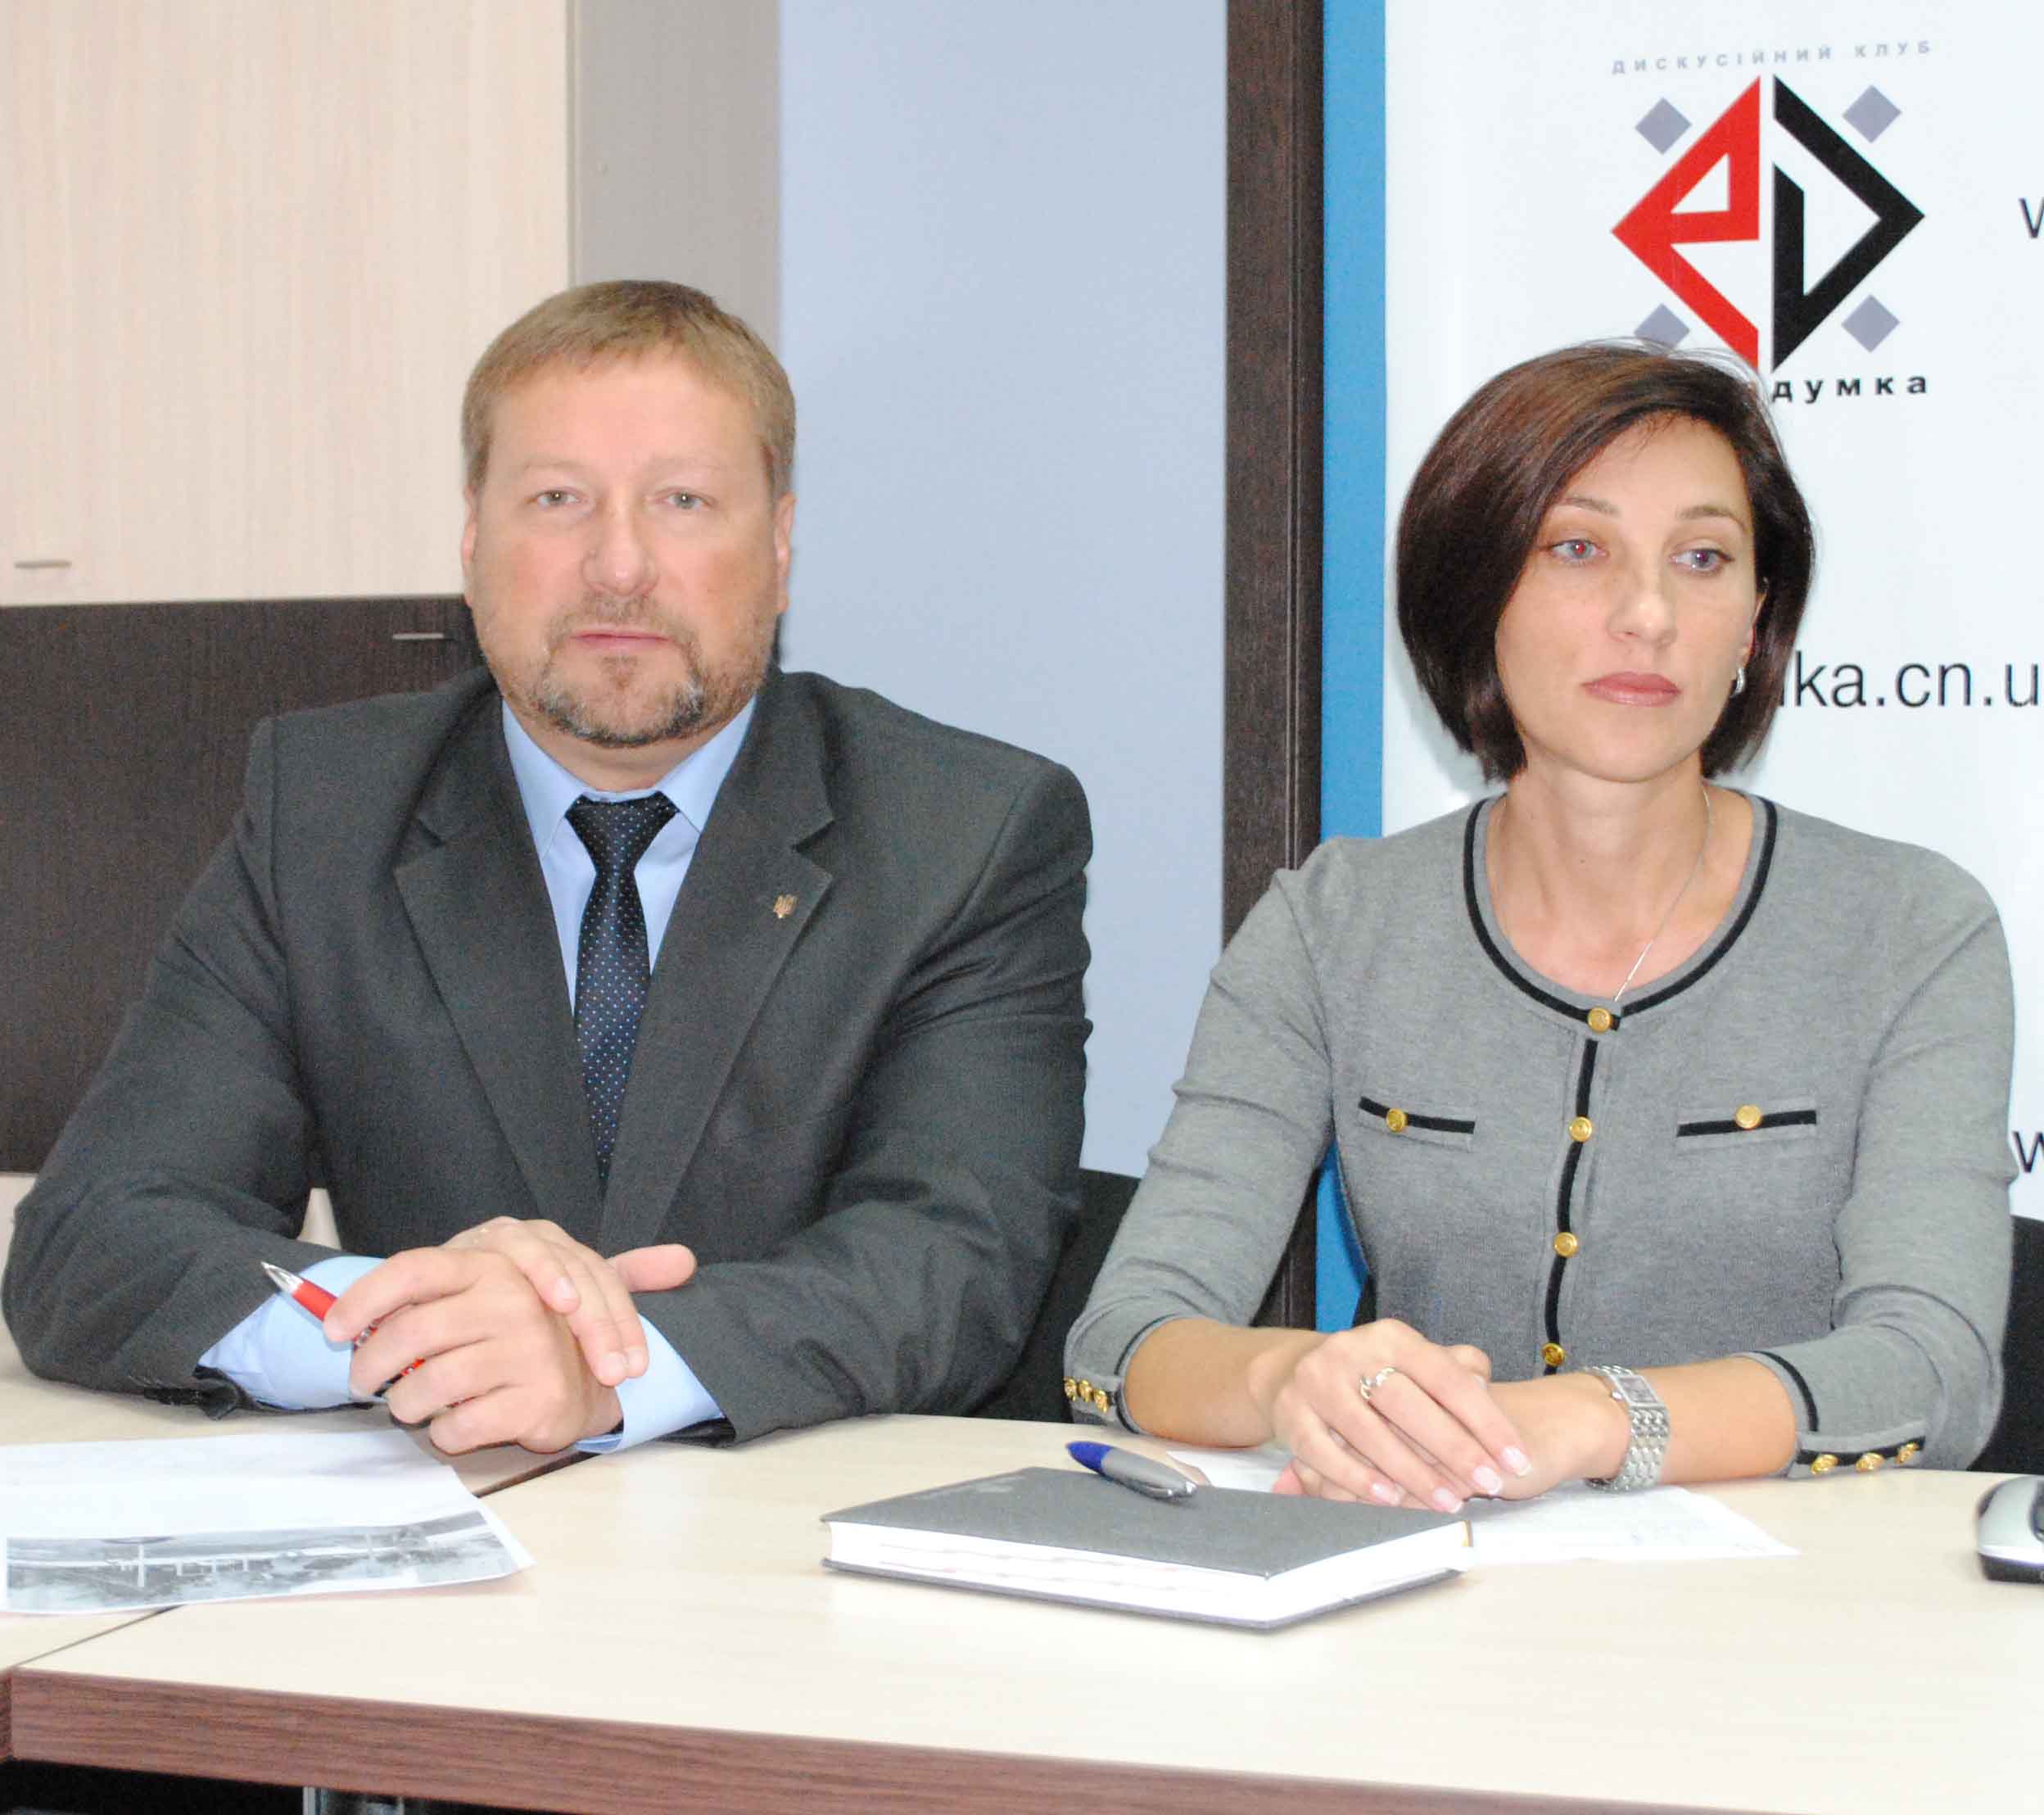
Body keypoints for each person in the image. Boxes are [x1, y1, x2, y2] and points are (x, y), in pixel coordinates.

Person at [4, 280, 1091, 1456]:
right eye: (558, 499)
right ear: (473, 540)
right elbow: (94, 1238)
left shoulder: (966, 831)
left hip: (793, 1522)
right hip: (437, 1514)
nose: (618, 566)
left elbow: (955, 1260)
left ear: (779, 546)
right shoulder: (323, 807)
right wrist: (410, 1328)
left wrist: (610, 1370)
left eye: (682, 501)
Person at [1065, 342, 2012, 1509]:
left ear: (1754, 622)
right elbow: (1120, 1342)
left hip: (1796, 1594)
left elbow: (1935, 1373)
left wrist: (1591, 1420)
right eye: (1577, 549)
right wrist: (1293, 1383)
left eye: (1703, 559)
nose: (1648, 615)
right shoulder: (1332, 927)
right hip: (1424, 1576)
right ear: (1477, 595)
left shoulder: (1912, 929)